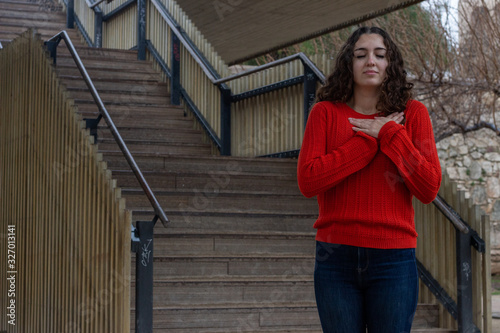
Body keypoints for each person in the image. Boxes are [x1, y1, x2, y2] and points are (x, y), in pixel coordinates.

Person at [297, 26, 442, 333]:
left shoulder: (413, 115)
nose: (370, 61)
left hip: (394, 259)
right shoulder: (323, 113)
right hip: (335, 259)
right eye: (360, 55)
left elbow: (428, 187)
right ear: (349, 63)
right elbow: (309, 181)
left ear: (391, 64)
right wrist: (367, 142)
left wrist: (389, 133)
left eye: (380, 54)